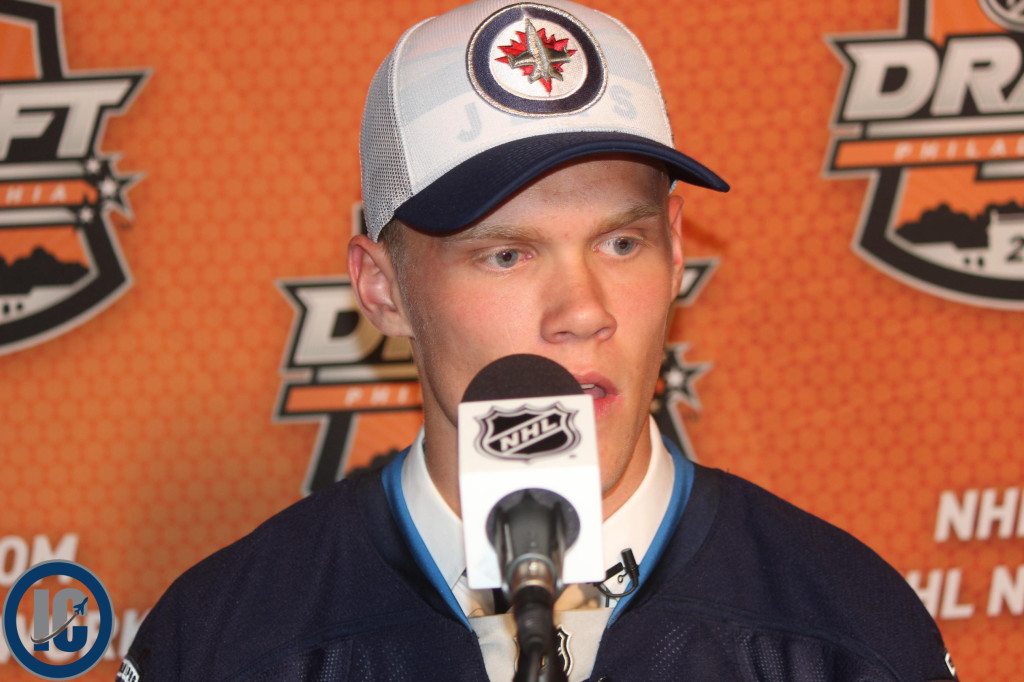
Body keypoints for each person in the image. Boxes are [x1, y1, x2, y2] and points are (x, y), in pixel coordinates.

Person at [121, 1, 958, 680]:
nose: (583, 311)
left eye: (620, 243)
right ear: (382, 289)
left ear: (676, 251)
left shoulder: (845, 632)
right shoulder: (226, 641)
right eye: (506, 255)